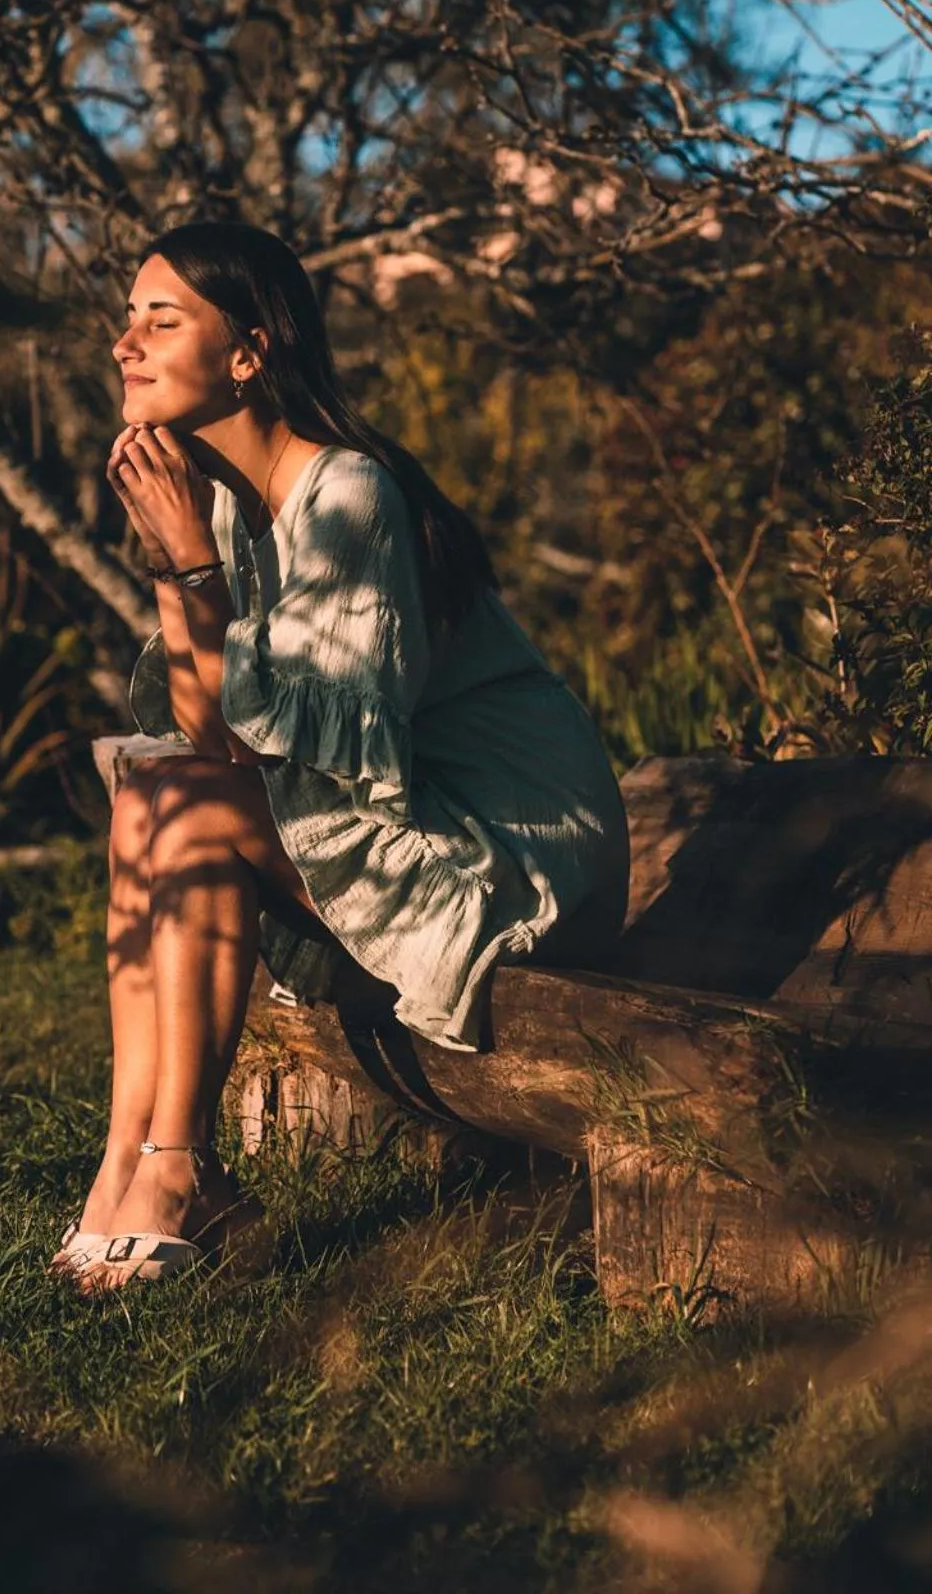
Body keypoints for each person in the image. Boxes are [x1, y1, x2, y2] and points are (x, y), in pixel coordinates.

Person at [52, 221, 629, 1290]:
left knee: (175, 802)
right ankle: (121, 1171)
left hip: (508, 862)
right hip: (412, 830)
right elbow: (214, 736)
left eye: (160, 318)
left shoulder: (346, 495)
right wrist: (180, 560)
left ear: (248, 353)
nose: (124, 342)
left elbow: (338, 742)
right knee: (155, 793)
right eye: (126, 316)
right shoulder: (227, 508)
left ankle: (177, 1174)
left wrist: (185, 563)